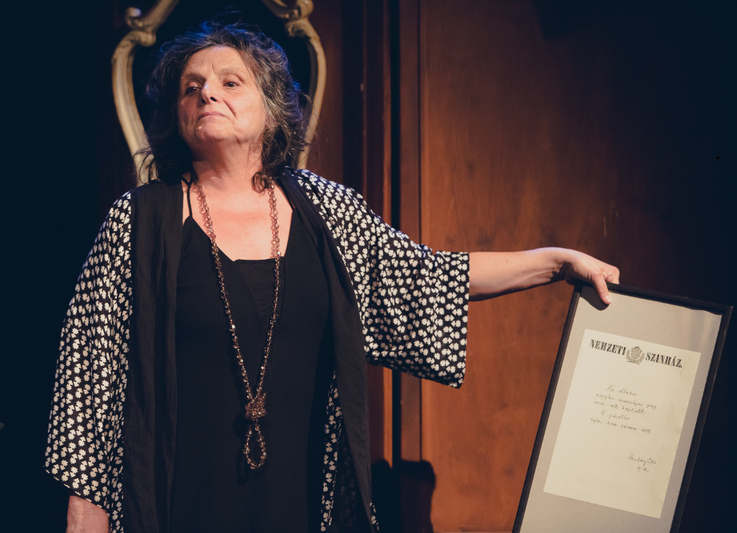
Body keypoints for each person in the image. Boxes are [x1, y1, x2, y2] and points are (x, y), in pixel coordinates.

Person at [45, 20, 619, 533]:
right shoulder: (140, 220)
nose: (206, 93)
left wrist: (555, 262)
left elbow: (427, 276)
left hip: (298, 501)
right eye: (190, 87)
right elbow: (88, 372)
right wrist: (85, 507)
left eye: (229, 81)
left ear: (272, 108)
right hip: (178, 503)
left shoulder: (326, 211)